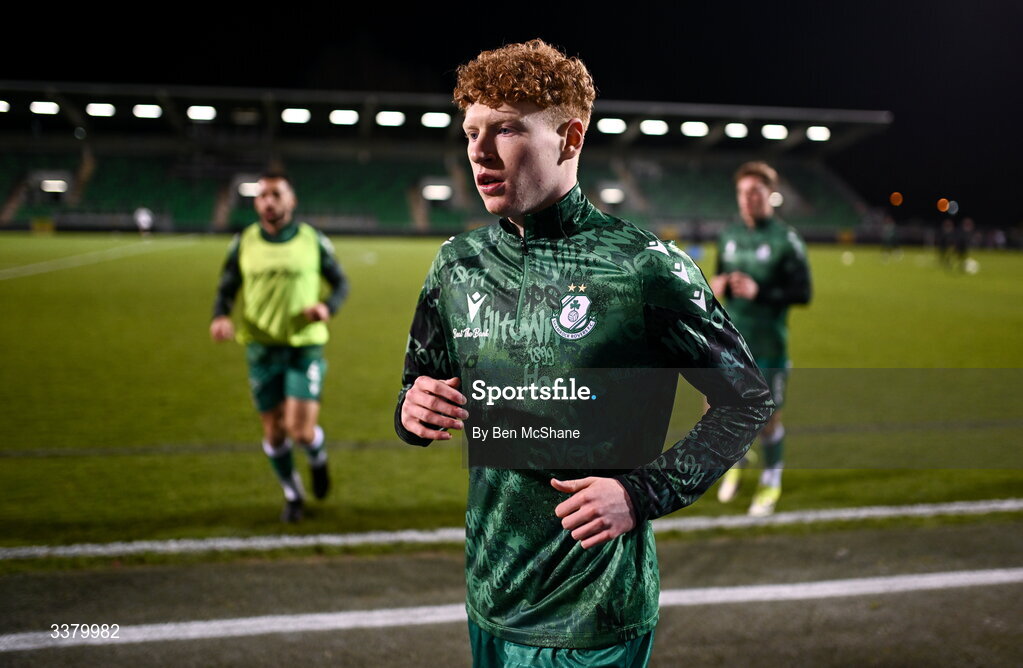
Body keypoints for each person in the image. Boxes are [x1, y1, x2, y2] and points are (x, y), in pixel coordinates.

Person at [395, 40, 773, 665]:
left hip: (593, 615)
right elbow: (418, 388)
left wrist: (640, 494)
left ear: (570, 138)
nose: (479, 154)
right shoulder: (455, 266)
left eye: (507, 130)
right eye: (470, 132)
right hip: (490, 596)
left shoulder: (646, 268)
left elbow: (747, 400)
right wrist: (412, 412)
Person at [210, 172, 348, 523]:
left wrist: (326, 308)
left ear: (291, 200)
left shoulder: (311, 239)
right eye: (261, 196)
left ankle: (316, 457)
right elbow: (227, 286)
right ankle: (293, 495)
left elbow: (340, 282)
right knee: (273, 433)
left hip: (304, 348)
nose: (267, 201)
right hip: (261, 349)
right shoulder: (244, 242)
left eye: (275, 194)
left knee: (300, 431)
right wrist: (221, 316)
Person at [711, 161, 812, 517]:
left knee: (767, 420)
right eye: (742, 192)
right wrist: (717, 286)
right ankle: (737, 462)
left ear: (770, 193)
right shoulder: (729, 234)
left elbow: (804, 292)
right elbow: (717, 274)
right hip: (731, 346)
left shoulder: (786, 240)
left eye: (755, 191)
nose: (747, 199)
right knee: (718, 412)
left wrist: (761, 290)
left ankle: (771, 477)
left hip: (769, 347)